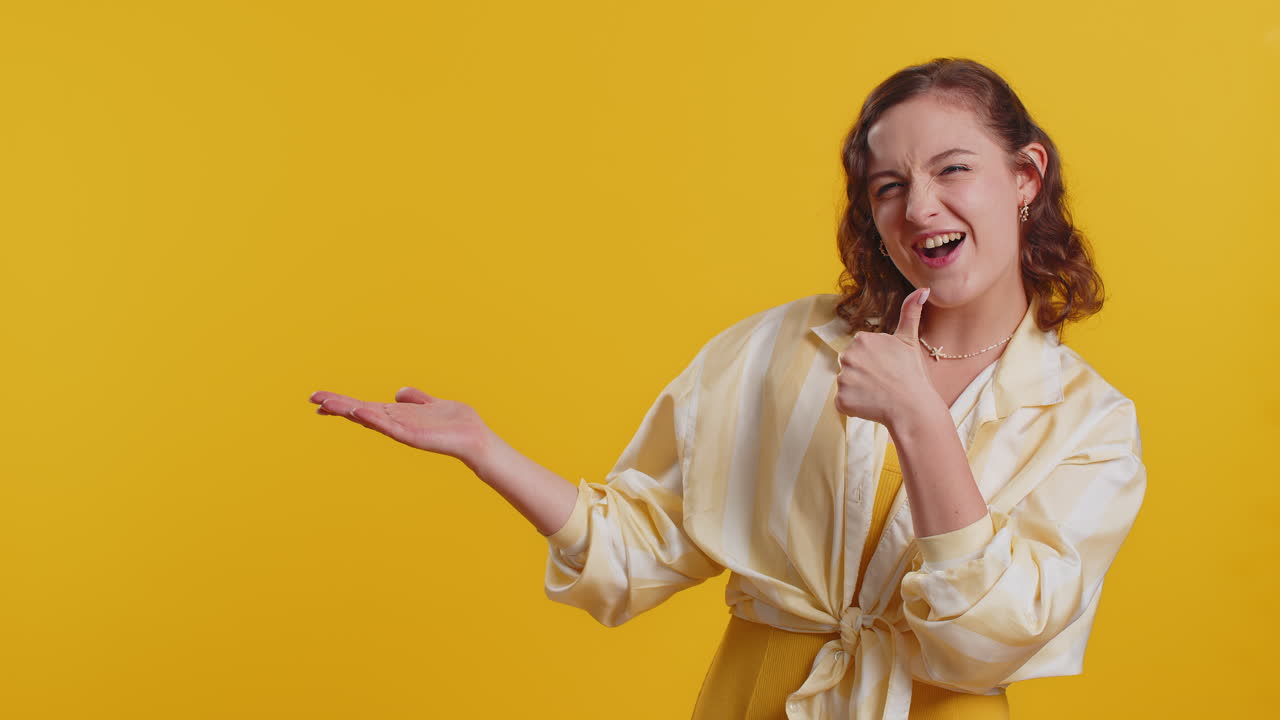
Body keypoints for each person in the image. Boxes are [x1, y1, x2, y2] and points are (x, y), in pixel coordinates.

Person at [308, 57, 1147, 720]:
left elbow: (982, 642)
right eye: (888, 186)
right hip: (755, 700)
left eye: (953, 169)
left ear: (1026, 175)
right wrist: (487, 451)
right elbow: (632, 550)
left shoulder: (1091, 424)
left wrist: (919, 418)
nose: (920, 206)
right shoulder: (779, 350)